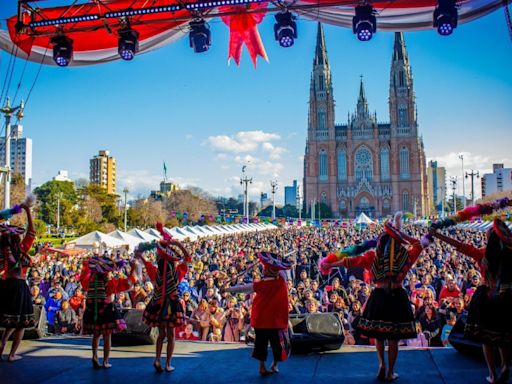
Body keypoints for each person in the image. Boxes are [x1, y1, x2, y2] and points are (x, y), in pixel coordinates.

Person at [321, 214, 432, 381]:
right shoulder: (406, 256)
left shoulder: (373, 257)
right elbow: (418, 244)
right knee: (394, 338)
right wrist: (401, 235)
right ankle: (390, 372)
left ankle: (381, 364)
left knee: (379, 334)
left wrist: (330, 264)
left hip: (378, 296)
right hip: (397, 297)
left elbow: (350, 262)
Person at [431, 212, 512, 384]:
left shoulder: (482, 254)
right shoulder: (510, 256)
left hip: (487, 297)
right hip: (506, 297)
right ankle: (505, 365)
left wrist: (438, 235)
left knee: (486, 338)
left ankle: (492, 374)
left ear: (489, 239)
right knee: (504, 336)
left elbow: (459, 245)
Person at [223, 251, 291, 376]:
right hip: (275, 321)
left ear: (268, 271)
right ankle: (274, 365)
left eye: (264, 269)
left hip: (263, 320)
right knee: (277, 345)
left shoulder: (261, 284)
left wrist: (227, 289)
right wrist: (272, 262)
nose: (262, 270)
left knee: (261, 345)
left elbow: (242, 288)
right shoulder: (281, 281)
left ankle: (262, 367)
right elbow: (281, 269)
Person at [138, 223, 191, 373]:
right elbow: (187, 257)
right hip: (172, 305)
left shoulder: (155, 272)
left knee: (161, 335)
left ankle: (156, 359)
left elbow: (144, 261)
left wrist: (141, 254)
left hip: (157, 304)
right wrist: (178, 244)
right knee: (171, 335)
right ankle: (168, 363)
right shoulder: (178, 272)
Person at [80, 249, 136, 369]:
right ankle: (105, 361)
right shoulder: (111, 283)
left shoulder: (89, 282)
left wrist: (86, 266)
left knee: (96, 335)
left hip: (92, 309)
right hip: (106, 310)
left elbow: (82, 277)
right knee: (107, 336)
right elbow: (128, 283)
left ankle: (95, 356)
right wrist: (134, 270)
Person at [0, 197, 37, 362]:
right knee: (21, 322)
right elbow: (32, 232)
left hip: (6, 285)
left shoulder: (2, 251)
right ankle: (12, 354)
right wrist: (28, 210)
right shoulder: (22, 249)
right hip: (19, 286)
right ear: (17, 238)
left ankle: (1, 344)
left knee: (10, 319)